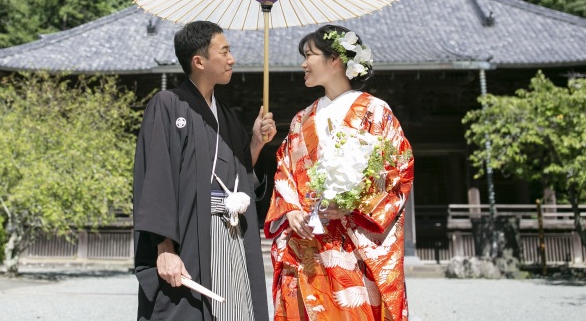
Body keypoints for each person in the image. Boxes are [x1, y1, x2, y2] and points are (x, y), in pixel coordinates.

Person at [264, 24, 414, 321]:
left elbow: (399, 168)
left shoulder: (375, 111)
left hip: (352, 242)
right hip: (305, 238)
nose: (303, 64)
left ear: (335, 60)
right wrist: (291, 210)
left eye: (309, 55)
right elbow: (284, 168)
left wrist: (351, 204)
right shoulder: (301, 119)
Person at [133, 21, 276, 321]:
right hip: (190, 234)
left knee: (235, 310)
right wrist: (164, 247)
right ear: (199, 61)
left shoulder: (225, 114)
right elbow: (157, 176)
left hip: (231, 233)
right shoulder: (168, 105)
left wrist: (256, 142)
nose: (231, 59)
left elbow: (239, 172)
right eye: (223, 51)